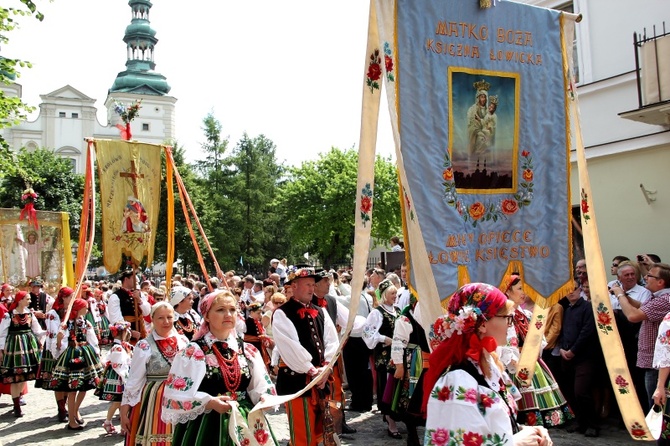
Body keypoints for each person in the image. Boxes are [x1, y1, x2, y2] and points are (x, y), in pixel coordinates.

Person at [423, 282, 552, 446]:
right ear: (483, 324)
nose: (509, 324)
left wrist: (529, 432)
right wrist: (515, 443)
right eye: (507, 318)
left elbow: (488, 427)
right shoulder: (458, 379)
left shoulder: (487, 364)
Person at [162, 290, 278, 446]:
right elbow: (175, 394)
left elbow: (259, 385)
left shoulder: (246, 350)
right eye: (220, 310)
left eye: (232, 309)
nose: (228, 314)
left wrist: (264, 397)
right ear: (207, 316)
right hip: (207, 424)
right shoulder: (193, 352)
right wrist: (208, 401)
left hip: (244, 419)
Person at [273, 268, 340, 446]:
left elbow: (332, 342)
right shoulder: (282, 313)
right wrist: (312, 371)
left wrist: (326, 368)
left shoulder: (320, 311)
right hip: (297, 384)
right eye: (307, 285)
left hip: (320, 382)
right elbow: (291, 348)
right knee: (303, 434)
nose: (312, 289)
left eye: (313, 284)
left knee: (321, 431)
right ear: (294, 286)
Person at [500, 274, 573, 428]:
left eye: (524, 289)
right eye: (519, 289)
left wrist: (532, 350)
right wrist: (514, 358)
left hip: (532, 364)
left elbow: (540, 340)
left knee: (534, 419)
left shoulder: (525, 315)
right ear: (507, 291)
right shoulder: (503, 316)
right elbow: (502, 343)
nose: (523, 292)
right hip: (512, 365)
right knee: (513, 416)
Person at [120, 301, 188, 445]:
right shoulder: (144, 345)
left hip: (180, 396)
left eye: (169, 317)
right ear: (153, 319)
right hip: (154, 400)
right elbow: (134, 380)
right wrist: (124, 411)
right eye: (161, 318)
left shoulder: (183, 341)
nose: (166, 322)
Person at [616, 262, 670, 411]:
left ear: (660, 282)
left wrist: (619, 295)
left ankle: (656, 433)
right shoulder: (657, 297)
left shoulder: (665, 299)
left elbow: (633, 315)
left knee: (655, 407)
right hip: (651, 361)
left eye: (650, 275)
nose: (645, 277)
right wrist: (624, 295)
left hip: (657, 363)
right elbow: (641, 307)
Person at [51, 287, 104, 430]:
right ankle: (71, 420)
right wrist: (59, 342)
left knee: (84, 387)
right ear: (79, 309)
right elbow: (60, 341)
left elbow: (92, 338)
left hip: (85, 353)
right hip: (72, 354)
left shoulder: (85, 323)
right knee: (73, 388)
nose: (86, 311)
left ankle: (75, 411)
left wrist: (96, 352)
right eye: (84, 308)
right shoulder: (67, 324)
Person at [557, 280, 601, 437]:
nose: (570, 292)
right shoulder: (568, 309)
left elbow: (587, 332)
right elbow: (564, 332)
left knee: (581, 391)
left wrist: (573, 351)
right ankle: (581, 423)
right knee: (570, 392)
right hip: (567, 356)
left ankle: (593, 424)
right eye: (567, 290)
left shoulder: (587, 308)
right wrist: (563, 348)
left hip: (584, 357)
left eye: (573, 289)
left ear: (580, 289)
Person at [363, 279, 403, 439]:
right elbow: (367, 333)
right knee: (387, 387)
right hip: (386, 358)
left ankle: (395, 416)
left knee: (398, 387)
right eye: (392, 293)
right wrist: (384, 339)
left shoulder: (398, 310)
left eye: (395, 293)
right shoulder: (377, 313)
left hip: (399, 356)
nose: (395, 296)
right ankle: (390, 421)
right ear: (385, 295)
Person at [391, 294, 429, 446]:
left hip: (428, 360)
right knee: (409, 398)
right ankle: (412, 434)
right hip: (412, 362)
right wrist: (399, 365)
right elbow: (398, 342)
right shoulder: (405, 318)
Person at [0, 290, 45, 417]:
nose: (30, 301)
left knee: (23, 377)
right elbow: (2, 333)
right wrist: (1, 349)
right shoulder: (9, 315)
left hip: (28, 347)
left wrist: (47, 335)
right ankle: (16, 406)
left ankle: (18, 399)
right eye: (27, 299)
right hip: (14, 347)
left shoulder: (30, 313)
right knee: (15, 377)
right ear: (20, 300)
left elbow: (37, 330)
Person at [95, 321, 133, 434]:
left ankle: (122, 426)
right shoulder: (118, 348)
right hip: (118, 377)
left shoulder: (120, 346)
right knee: (118, 401)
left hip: (120, 375)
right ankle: (108, 422)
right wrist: (126, 377)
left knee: (121, 402)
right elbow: (118, 365)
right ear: (124, 332)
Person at [108, 269, 151, 344]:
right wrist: (130, 331)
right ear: (126, 279)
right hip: (124, 335)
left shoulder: (140, 294)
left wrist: (139, 300)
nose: (136, 281)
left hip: (141, 331)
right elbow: (115, 320)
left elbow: (147, 312)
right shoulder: (115, 296)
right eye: (133, 278)